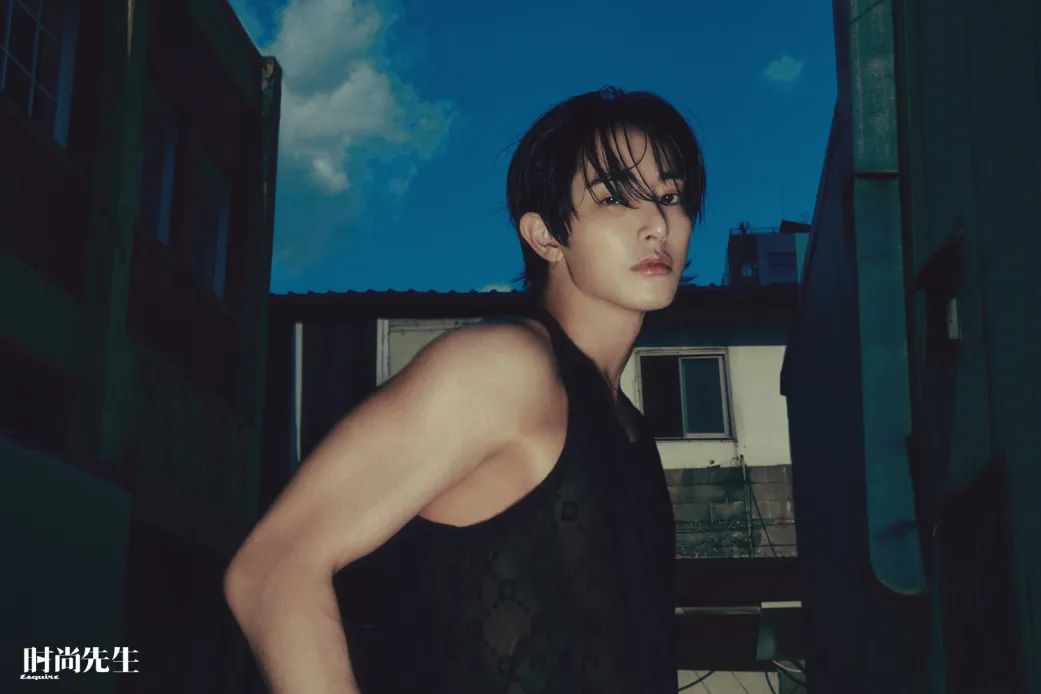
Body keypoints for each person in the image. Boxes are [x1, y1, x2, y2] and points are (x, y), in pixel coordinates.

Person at [223, 85, 706, 693]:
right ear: (545, 236)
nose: (656, 223)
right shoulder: (504, 369)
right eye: (613, 198)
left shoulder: (628, 427)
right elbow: (272, 568)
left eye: (670, 196)